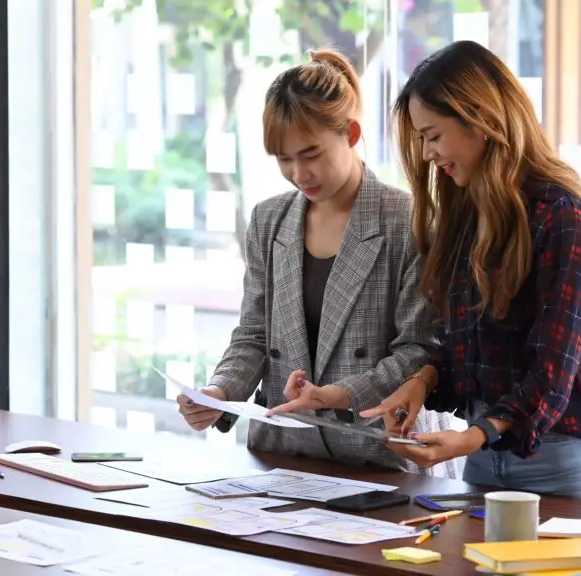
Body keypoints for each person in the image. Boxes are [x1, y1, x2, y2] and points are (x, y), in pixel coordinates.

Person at [360, 40, 581, 503]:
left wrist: (477, 434)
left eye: (434, 135)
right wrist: (423, 381)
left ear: (480, 119)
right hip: (483, 461)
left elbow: (553, 371)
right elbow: (471, 350)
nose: (426, 154)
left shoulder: (561, 218)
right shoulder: (468, 218)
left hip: (561, 465)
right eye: (422, 139)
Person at [177, 48, 458, 478]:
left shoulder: (409, 220)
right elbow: (254, 334)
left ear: (350, 133)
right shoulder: (269, 220)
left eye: (310, 154)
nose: (298, 173)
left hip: (379, 455)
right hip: (281, 454)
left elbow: (419, 350)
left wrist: (338, 394)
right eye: (284, 159)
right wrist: (218, 393)